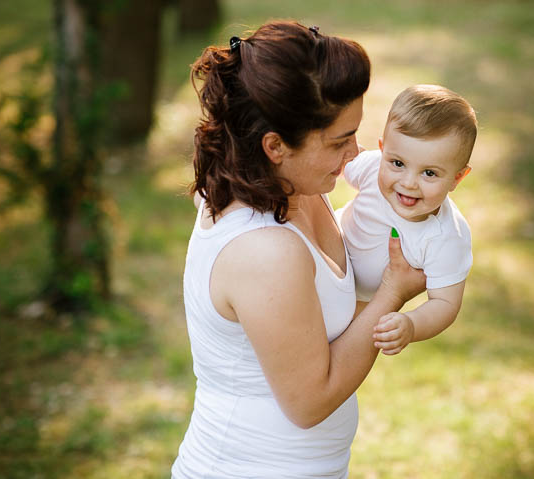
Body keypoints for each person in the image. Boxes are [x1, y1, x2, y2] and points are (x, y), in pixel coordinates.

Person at [171, 21, 425, 478]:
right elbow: (309, 402)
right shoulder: (265, 249)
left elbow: (322, 309)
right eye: (338, 141)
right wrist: (392, 294)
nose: (356, 152)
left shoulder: (294, 186)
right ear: (275, 146)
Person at [338, 84, 477, 356]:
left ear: (457, 178)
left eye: (429, 173)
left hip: (356, 307)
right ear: (382, 150)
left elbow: (445, 304)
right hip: (322, 260)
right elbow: (339, 166)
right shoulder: (372, 166)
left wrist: (411, 324)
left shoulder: (446, 238)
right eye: (398, 164)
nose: (409, 183)